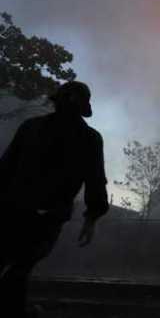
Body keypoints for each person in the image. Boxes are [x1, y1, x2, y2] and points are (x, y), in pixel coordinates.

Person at [0, 81, 109, 318]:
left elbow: (5, 168)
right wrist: (91, 218)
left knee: (14, 263)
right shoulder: (89, 138)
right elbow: (95, 181)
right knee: (21, 266)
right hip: (46, 215)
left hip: (13, 209)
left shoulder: (31, 127)